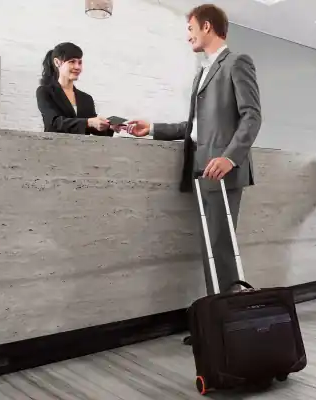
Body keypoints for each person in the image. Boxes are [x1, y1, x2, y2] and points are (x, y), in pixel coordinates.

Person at [124, 4, 261, 343]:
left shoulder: (237, 62)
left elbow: (252, 116)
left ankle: (229, 332)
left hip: (222, 172)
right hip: (201, 171)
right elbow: (195, 128)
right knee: (211, 252)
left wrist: (230, 158)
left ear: (207, 27)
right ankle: (218, 327)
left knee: (221, 250)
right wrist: (152, 128)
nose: (188, 36)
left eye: (191, 28)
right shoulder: (203, 72)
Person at [36, 42, 115, 136]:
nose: (77, 67)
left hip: (81, 145)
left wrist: (109, 127)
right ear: (57, 62)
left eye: (80, 62)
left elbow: (93, 129)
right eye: (72, 62)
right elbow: (54, 122)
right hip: (54, 144)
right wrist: (89, 122)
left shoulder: (86, 98)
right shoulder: (45, 92)